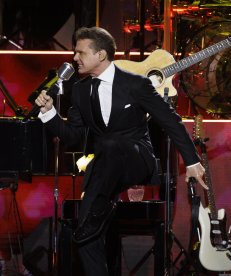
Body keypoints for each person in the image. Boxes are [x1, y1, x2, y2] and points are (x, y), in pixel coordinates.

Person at [33, 26, 207, 275]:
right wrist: (49, 113)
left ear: (101, 55)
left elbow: (170, 121)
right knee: (85, 236)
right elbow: (73, 136)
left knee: (109, 144)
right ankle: (95, 218)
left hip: (137, 158)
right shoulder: (81, 91)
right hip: (105, 167)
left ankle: (97, 210)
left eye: (80, 52)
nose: (74, 58)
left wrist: (191, 161)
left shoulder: (135, 84)